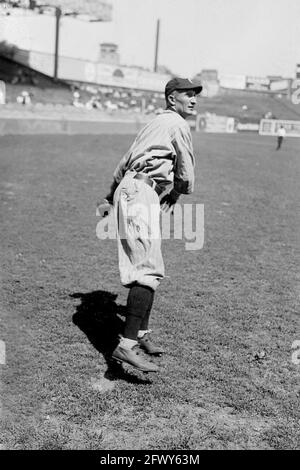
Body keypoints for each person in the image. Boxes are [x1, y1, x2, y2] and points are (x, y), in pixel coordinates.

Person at [101, 77, 202, 373]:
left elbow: (124, 162)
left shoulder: (154, 123)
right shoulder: (177, 124)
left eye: (196, 95)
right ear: (172, 99)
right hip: (142, 191)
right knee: (147, 269)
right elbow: (186, 168)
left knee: (147, 263)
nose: (194, 100)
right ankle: (126, 345)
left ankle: (141, 335)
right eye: (188, 95)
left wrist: (111, 196)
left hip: (131, 188)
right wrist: (178, 191)